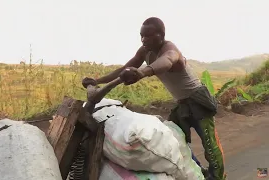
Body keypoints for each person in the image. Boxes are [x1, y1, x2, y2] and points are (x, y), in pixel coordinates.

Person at [82, 17, 226, 180]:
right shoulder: (144, 51)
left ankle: (218, 176)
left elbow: (167, 61)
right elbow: (125, 68)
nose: (143, 40)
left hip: (197, 100)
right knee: (176, 140)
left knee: (210, 144)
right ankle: (198, 171)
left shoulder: (171, 49)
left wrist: (143, 72)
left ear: (161, 35)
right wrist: (98, 81)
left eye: (148, 36)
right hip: (181, 104)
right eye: (141, 35)